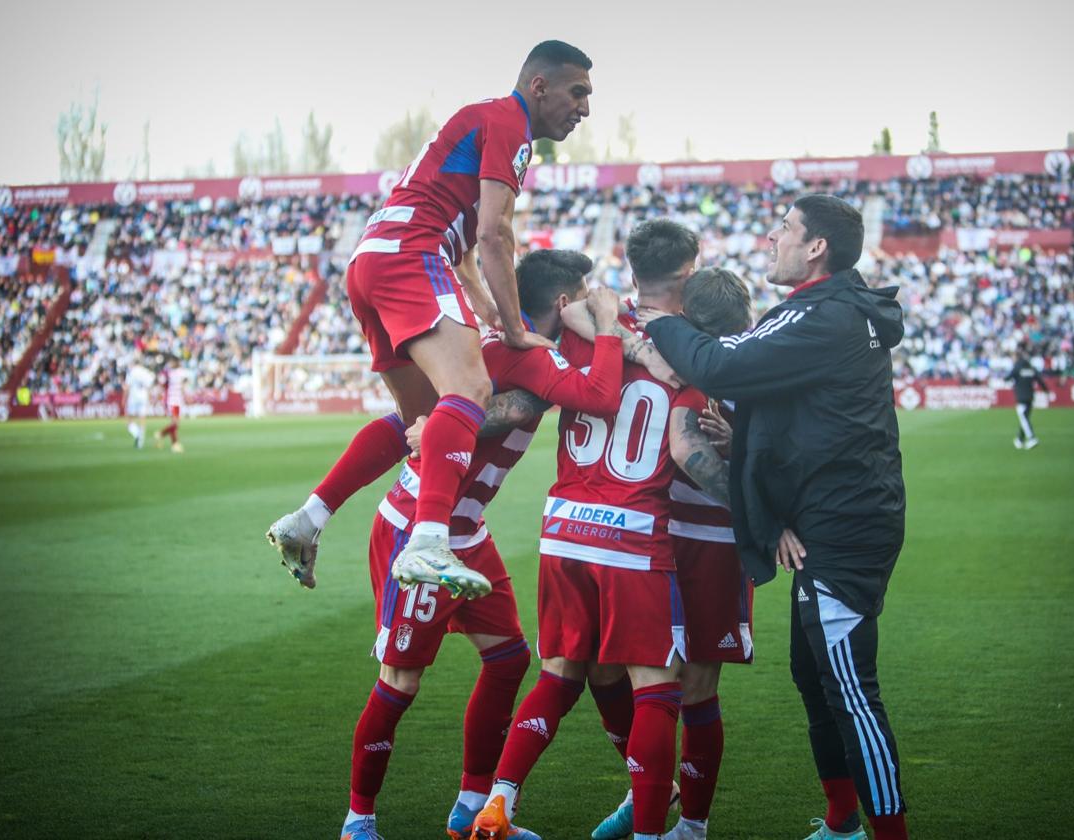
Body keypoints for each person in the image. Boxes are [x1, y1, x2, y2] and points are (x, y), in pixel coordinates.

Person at [268, 39, 594, 598]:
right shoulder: (509, 125)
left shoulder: (481, 121)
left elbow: (466, 251)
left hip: (372, 260)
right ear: (539, 86)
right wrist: (515, 330)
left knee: (421, 425)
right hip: (411, 255)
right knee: (470, 389)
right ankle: (428, 542)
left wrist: (490, 314)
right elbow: (494, 233)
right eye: (578, 92)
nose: (584, 109)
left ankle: (308, 519)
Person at [640, 195, 909, 840]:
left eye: (784, 229)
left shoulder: (826, 317)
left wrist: (660, 321)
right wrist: (750, 457)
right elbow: (804, 420)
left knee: (850, 691)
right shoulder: (826, 311)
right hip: (828, 518)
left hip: (846, 526)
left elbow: (723, 364)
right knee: (814, 679)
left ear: (816, 247)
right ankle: (843, 823)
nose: (770, 237)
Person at [340, 250, 624, 840]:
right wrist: (612, 329)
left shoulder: (506, 345)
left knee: (508, 657)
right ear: (565, 304)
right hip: (420, 524)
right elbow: (596, 395)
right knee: (401, 680)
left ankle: (471, 809)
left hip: (467, 528)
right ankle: (358, 819)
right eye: (585, 294)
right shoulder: (524, 354)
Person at [471, 220, 731, 840]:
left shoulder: (583, 323)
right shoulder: (695, 352)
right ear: (689, 273)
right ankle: (651, 833)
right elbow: (689, 449)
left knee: (558, 670)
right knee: (657, 686)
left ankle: (496, 806)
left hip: (563, 527)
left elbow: (572, 323)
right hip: (636, 533)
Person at [561, 268, 755, 840]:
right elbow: (574, 310)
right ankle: (647, 785)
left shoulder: (752, 363)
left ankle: (690, 827)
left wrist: (753, 494)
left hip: (715, 542)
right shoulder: (660, 339)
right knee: (608, 667)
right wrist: (632, 338)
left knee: (694, 687)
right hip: (655, 532)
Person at [1006, 349, 1051, 450]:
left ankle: (1031, 438)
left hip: (1020, 397)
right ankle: (1019, 440)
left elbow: (1008, 378)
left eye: (1013, 357)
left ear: (1016, 357)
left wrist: (1006, 378)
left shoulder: (1017, 368)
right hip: (1030, 396)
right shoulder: (1031, 368)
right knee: (1025, 418)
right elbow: (1040, 381)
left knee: (1024, 418)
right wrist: (1046, 391)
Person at [154, 354, 187, 454]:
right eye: (170, 362)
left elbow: (183, 386)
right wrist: (158, 398)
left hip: (178, 400)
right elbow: (162, 386)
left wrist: (184, 396)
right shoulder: (167, 373)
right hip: (171, 400)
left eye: (172, 362)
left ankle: (161, 434)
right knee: (175, 423)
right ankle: (174, 444)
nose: (171, 364)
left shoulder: (180, 372)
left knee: (175, 424)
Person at [123, 358, 155, 449]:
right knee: (142, 419)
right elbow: (149, 385)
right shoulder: (145, 372)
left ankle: (137, 434)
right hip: (143, 396)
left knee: (129, 420)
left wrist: (124, 399)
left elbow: (127, 386)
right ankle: (141, 441)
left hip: (133, 397)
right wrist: (149, 397)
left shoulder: (131, 372)